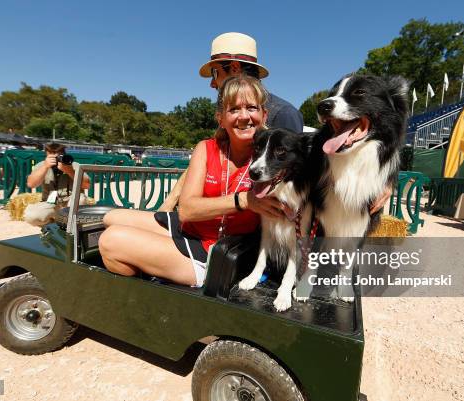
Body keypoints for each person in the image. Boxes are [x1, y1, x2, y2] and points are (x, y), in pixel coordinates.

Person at [99, 75, 285, 286]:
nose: (244, 116)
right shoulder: (206, 148)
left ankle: (159, 279)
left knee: (110, 241)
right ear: (220, 119)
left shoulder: (273, 158)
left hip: (222, 252)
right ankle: (156, 266)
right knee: (110, 217)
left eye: (251, 108)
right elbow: (187, 210)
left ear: (264, 115)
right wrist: (244, 200)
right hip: (191, 228)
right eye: (233, 109)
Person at [158, 32, 304, 212]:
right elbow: (211, 155)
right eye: (234, 109)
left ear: (234, 68)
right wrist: (170, 202)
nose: (212, 83)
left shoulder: (284, 113)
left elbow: (292, 182)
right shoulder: (228, 112)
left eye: (215, 72)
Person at [24, 143, 90, 226]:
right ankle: (51, 227)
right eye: (52, 153)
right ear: (47, 154)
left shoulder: (74, 165)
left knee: (80, 199)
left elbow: (86, 185)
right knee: (32, 216)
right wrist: (45, 167)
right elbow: (31, 184)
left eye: (58, 153)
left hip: (71, 203)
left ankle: (71, 227)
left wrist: (70, 171)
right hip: (50, 203)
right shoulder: (41, 166)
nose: (56, 156)